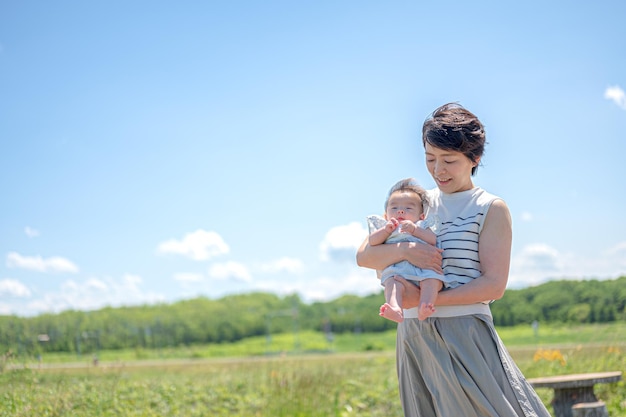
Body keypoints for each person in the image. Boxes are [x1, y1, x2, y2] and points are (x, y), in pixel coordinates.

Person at [356, 103, 551, 416]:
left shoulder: (489, 207)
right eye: (430, 159)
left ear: (474, 159)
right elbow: (365, 256)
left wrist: (427, 300)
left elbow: (493, 285)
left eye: (449, 160)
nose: (437, 170)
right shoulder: (415, 202)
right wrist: (406, 251)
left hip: (465, 332)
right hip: (413, 334)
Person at [367, 178, 448, 322]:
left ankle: (425, 305)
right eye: (394, 208)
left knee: (432, 280)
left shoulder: (422, 225)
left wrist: (415, 230)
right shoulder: (386, 227)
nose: (401, 211)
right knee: (392, 283)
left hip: (424, 269)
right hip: (398, 271)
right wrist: (385, 231)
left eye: (409, 208)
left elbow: (432, 239)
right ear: (386, 215)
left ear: (421, 216)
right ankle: (395, 308)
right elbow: (373, 242)